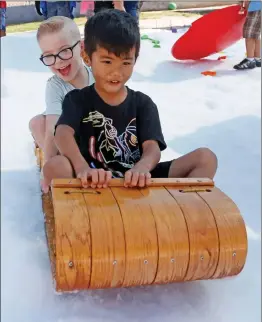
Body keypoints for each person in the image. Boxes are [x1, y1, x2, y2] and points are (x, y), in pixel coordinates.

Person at [43, 9, 217, 190]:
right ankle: (78, 215)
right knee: (55, 166)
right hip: (94, 181)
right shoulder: (77, 99)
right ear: (87, 57)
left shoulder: (143, 104)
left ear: (135, 59)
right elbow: (62, 134)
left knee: (206, 158)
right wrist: (82, 168)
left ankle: (180, 212)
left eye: (126, 63)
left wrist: (142, 167)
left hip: (136, 180)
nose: (117, 72)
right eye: (107, 62)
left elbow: (152, 147)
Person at [29, 16, 95, 192]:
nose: (58, 61)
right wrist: (48, 169)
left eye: (65, 50)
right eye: (49, 56)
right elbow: (53, 129)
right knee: (37, 123)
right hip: (66, 134)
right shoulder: (55, 85)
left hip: (91, 134)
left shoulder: (97, 74)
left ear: (80, 47)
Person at [234, 0, 261, 70]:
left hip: (255, 9)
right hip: (258, 8)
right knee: (255, 34)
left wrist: (245, 4)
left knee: (249, 35)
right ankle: (257, 59)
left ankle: (250, 60)